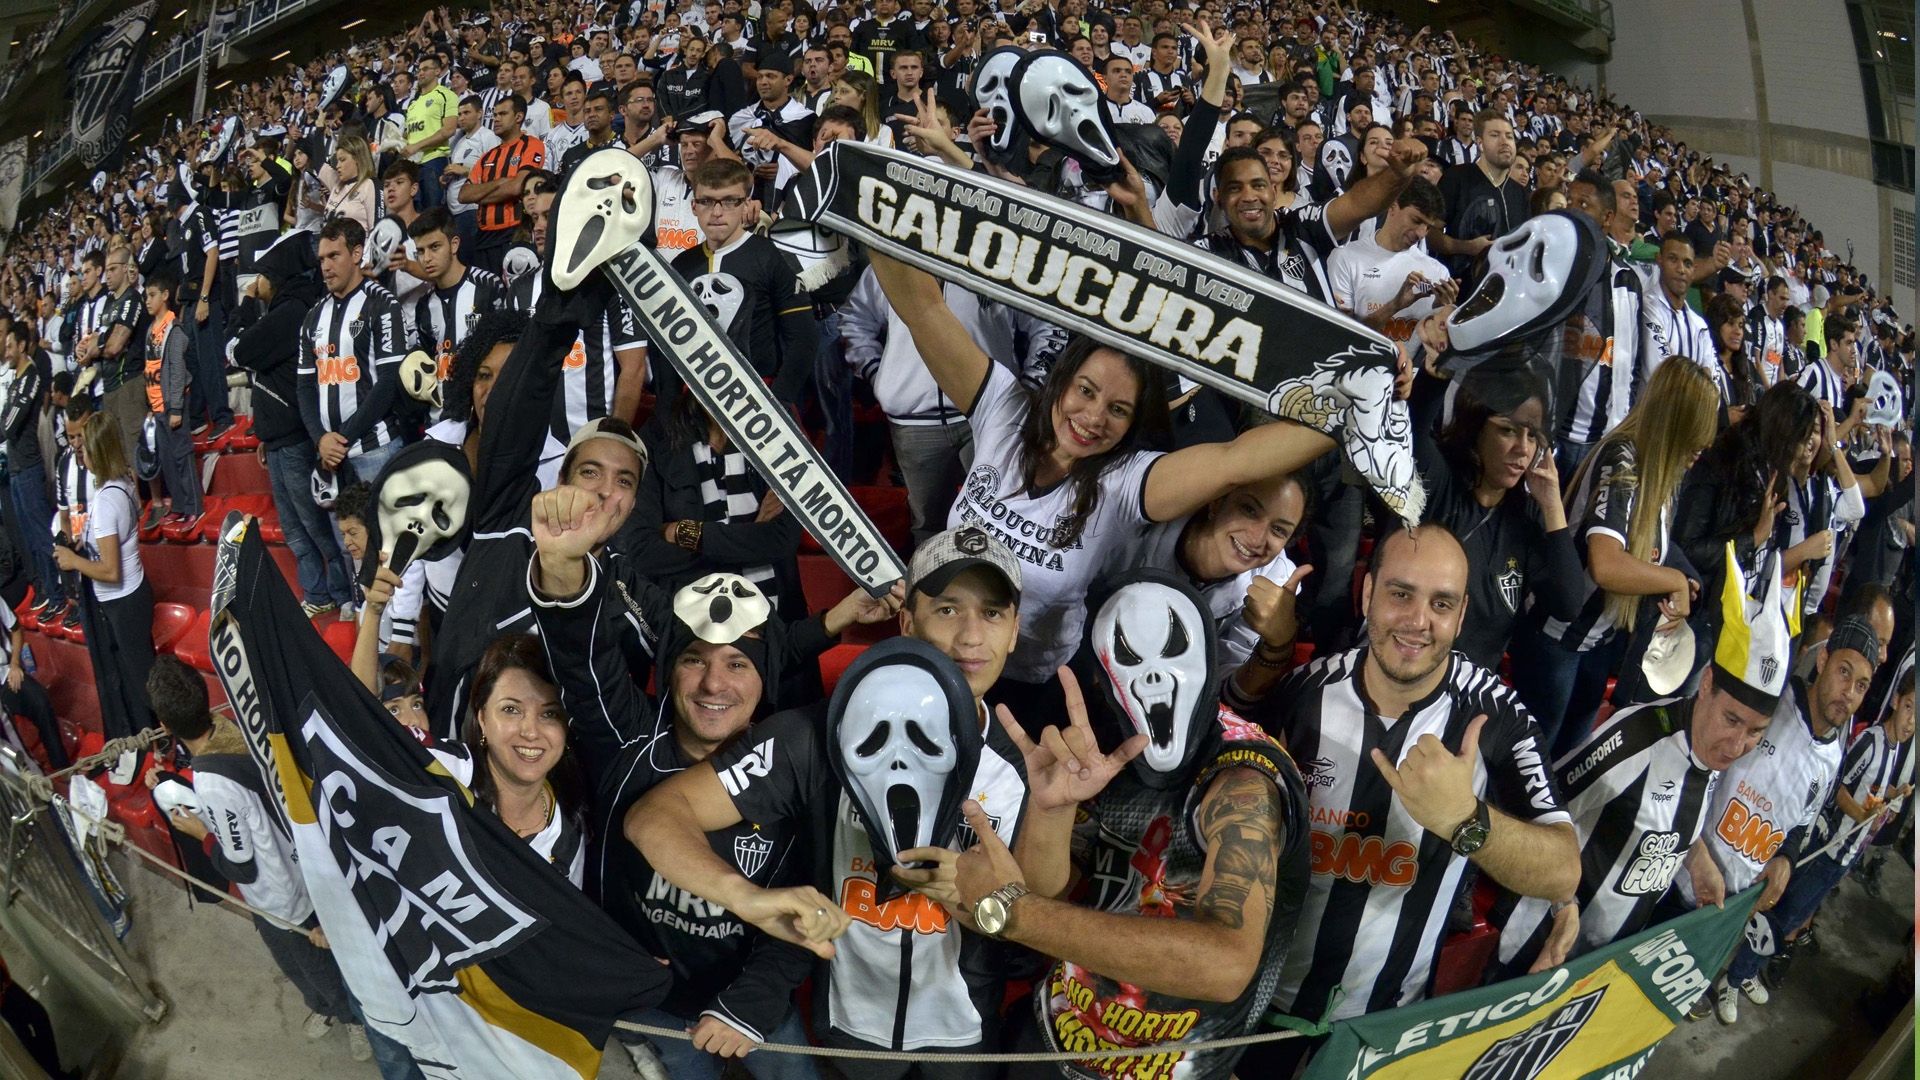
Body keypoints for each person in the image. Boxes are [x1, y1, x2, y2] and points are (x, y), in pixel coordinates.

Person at [631, 526, 1029, 1077]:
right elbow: (655, 816)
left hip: (966, 1026)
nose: (969, 638)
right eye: (946, 610)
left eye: (992, 615)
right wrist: (740, 896)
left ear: (1014, 631)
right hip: (851, 1025)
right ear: (908, 622)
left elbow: (1037, 900)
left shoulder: (1026, 758)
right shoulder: (811, 736)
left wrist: (992, 887)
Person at [903, 575, 1309, 1080]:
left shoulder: (1242, 781)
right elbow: (1049, 888)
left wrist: (1012, 913)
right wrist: (1050, 812)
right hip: (1057, 1033)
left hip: (1169, 1065)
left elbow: (1226, 963)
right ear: (1102, 677)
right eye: (1130, 660)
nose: (1155, 679)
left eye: (1173, 651)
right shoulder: (1104, 744)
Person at [1237, 526, 1579, 1075]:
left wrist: (1466, 820)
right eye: (1401, 594)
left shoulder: (1497, 716)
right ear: (1367, 594)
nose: (1419, 621)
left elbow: (1563, 870)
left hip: (1388, 1023)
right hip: (1263, 1002)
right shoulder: (1304, 692)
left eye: (1441, 603)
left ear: (1462, 614)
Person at [1495, 558, 1791, 976]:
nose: (1737, 745)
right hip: (1541, 952)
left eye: (1756, 732)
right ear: (1706, 685)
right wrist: (1562, 904)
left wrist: (1696, 858)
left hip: (1603, 964)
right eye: (1731, 720)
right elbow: (1539, 808)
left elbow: (1660, 818)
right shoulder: (1637, 740)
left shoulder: (1709, 748)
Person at [143, 655, 367, 1058]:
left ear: (164, 725)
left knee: (310, 966)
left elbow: (241, 865)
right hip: (298, 866)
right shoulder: (231, 728)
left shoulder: (212, 784)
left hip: (280, 897)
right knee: (301, 966)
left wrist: (200, 833)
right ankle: (324, 1007)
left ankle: (353, 1020)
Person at [1516, 360, 1719, 752]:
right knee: (1530, 768)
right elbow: (1606, 564)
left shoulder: (1664, 471)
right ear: (1674, 421)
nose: (1703, 445)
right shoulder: (1622, 457)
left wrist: (1679, 572)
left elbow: (1652, 545)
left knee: (1567, 764)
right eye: (1696, 431)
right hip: (1557, 639)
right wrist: (1672, 580)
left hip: (1597, 642)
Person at [1692, 616, 1881, 1024]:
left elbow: (1800, 824)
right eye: (1844, 672)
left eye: (1861, 685)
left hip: (1729, 904)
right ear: (1823, 661)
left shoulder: (1833, 759)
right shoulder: (1771, 704)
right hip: (1682, 871)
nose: (1848, 693)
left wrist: (1786, 860)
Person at [1408, 367, 1584, 668]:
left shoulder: (1527, 516)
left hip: (1467, 691)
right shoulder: (1439, 483)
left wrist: (1553, 506)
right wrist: (1437, 368)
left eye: (1533, 435)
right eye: (1508, 430)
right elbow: (1414, 427)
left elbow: (1567, 604)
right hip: (1408, 663)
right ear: (1476, 427)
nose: (1523, 449)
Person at [668, 159, 815, 412]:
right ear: (693, 206)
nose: (716, 212)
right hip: (693, 403)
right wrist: (670, 405)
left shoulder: (773, 256)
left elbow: (803, 337)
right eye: (706, 201)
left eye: (729, 201)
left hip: (760, 401)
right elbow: (667, 347)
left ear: (746, 204)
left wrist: (778, 400)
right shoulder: (682, 265)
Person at [54, 414, 155, 746]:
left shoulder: (110, 499)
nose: (80, 453)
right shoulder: (121, 484)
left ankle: (163, 744)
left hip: (123, 602)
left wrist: (74, 560)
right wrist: (86, 546)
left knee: (142, 683)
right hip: (130, 598)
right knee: (139, 677)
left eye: (85, 446)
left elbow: (111, 571)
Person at [298, 218, 410, 489]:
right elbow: (304, 387)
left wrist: (338, 439)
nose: (325, 266)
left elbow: (388, 382)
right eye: (322, 258)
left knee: (379, 532)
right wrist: (320, 439)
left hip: (375, 451)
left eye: (334, 256)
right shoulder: (313, 316)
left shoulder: (383, 305)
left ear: (357, 253)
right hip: (329, 455)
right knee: (345, 533)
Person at [1325, 178, 1453, 342]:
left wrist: (1440, 310)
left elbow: (1435, 350)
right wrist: (1394, 306)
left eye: (1428, 227)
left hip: (1411, 367)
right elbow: (1340, 336)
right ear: (1392, 207)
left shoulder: (1438, 272)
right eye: (1416, 221)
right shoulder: (1346, 259)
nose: (1421, 233)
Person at [459, 94, 547, 276]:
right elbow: (464, 195)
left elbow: (517, 187)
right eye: (495, 115)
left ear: (518, 117)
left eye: (502, 114)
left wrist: (481, 196)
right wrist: (500, 182)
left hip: (515, 232)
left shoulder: (531, 145)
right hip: (484, 237)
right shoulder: (487, 156)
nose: (496, 119)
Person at [140, 268, 202, 526]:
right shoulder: (151, 330)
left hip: (172, 404)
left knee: (181, 455)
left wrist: (176, 407)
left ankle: (194, 507)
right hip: (156, 406)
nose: (147, 301)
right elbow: (149, 369)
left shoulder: (173, 330)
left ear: (165, 295)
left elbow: (177, 370)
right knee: (166, 458)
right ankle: (178, 504)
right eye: (146, 296)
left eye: (152, 295)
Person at [1433, 112, 1527, 276]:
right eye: (1495, 135)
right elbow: (1431, 235)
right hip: (1459, 290)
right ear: (1480, 143)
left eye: (1509, 136)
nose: (1505, 142)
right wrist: (1466, 247)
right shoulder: (1456, 177)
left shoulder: (1520, 192)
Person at [321, 134, 380, 231]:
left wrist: (320, 128)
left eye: (342, 160)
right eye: (337, 161)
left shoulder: (370, 185)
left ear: (357, 158)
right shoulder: (337, 185)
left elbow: (376, 229)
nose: (337, 166)